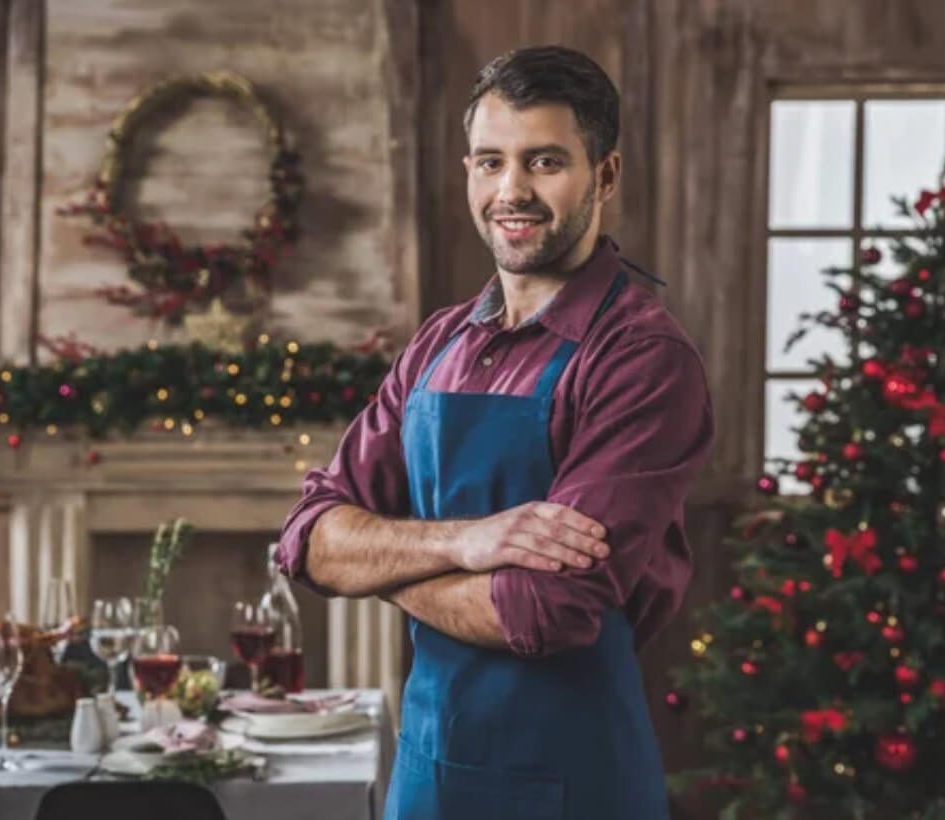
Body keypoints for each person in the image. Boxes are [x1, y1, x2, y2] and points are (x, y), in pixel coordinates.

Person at [277, 45, 714, 819]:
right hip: (427, 770)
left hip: (571, 784)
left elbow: (544, 612)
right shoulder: (438, 342)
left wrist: (382, 563)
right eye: (489, 162)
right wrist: (463, 543)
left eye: (544, 161)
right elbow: (308, 539)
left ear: (605, 175)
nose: (511, 191)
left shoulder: (642, 358)